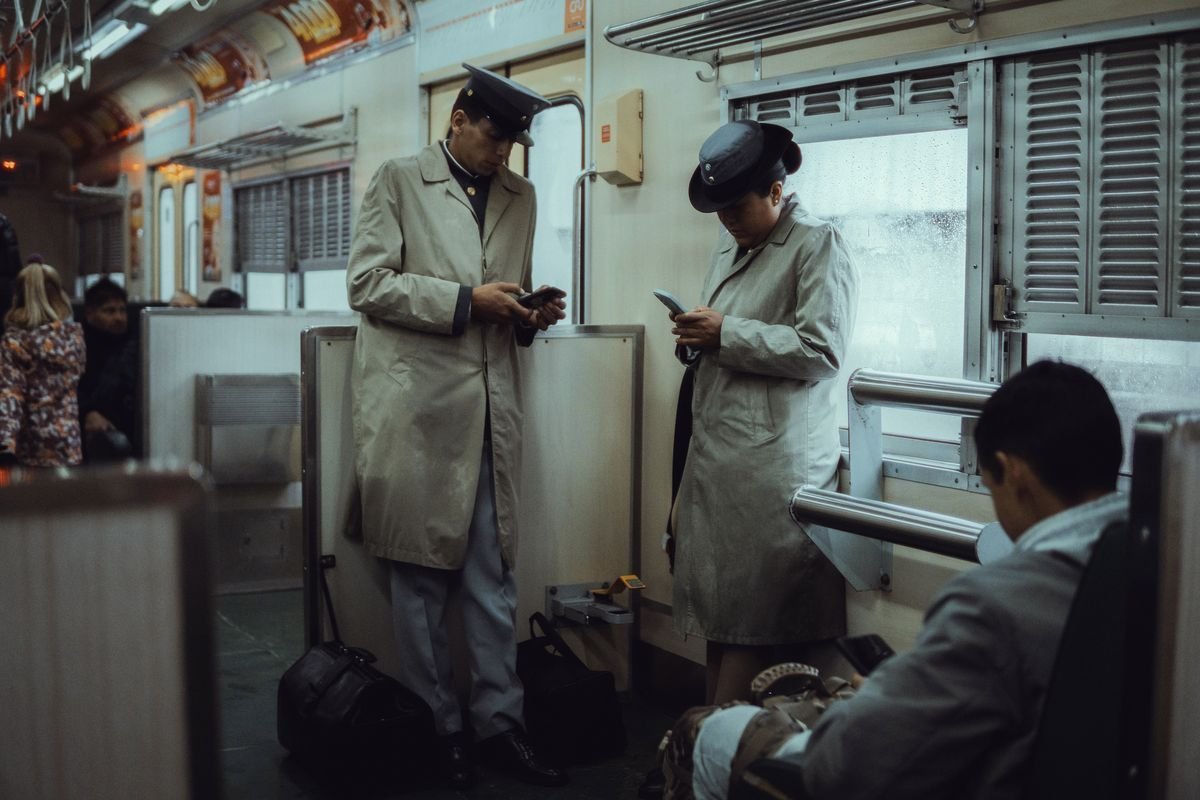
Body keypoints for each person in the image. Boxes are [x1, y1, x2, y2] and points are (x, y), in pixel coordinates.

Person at [686, 360, 1127, 800]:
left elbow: (849, 767)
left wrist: (871, 701)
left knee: (714, 733)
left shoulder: (995, 604)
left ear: (1015, 474)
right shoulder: (1161, 573)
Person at [345, 63, 567, 790]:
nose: (504, 151)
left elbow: (508, 295)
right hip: (417, 413)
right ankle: (440, 730)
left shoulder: (522, 196)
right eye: (495, 135)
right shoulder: (398, 181)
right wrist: (469, 301)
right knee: (419, 583)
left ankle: (501, 728)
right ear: (458, 121)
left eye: (513, 141)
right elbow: (369, 285)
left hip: (489, 409)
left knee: (492, 578)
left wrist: (529, 316)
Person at [668, 120, 859, 705]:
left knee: (753, 626)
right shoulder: (732, 243)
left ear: (776, 193)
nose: (727, 220)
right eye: (719, 209)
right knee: (721, 626)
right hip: (718, 458)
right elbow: (725, 332)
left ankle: (719, 759)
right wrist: (696, 337)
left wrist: (725, 332)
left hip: (772, 469)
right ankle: (702, 751)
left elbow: (822, 351)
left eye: (737, 207)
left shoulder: (816, 244)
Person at [0, 263, 85, 467]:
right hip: (69, 446)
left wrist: (4, 445)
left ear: (19, 297)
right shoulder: (74, 339)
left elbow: (10, 396)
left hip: (32, 452)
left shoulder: (15, 343)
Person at [78, 278, 139, 460]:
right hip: (91, 430)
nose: (119, 317)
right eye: (109, 311)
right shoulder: (76, 345)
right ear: (89, 313)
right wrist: (87, 413)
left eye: (122, 310)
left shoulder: (136, 343)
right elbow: (68, 388)